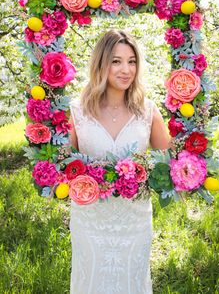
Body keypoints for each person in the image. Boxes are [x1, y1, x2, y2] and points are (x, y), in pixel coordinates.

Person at [69, 29, 171, 294]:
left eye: (132, 61)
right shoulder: (77, 111)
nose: (126, 69)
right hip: (90, 221)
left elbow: (171, 165)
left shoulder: (147, 111)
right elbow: (64, 169)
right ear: (101, 63)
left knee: (131, 282)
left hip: (133, 222)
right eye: (116, 61)